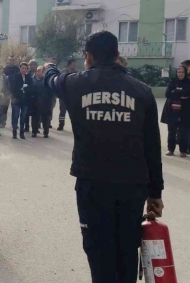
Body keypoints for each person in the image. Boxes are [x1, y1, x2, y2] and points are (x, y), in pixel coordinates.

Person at [44, 31, 164, 283]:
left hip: (93, 185)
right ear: (118, 56)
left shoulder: (75, 84)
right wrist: (155, 193)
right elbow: (152, 146)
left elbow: (51, 79)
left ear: (87, 57)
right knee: (127, 249)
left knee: (99, 251)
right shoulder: (142, 91)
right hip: (133, 186)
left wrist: (50, 66)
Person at [161, 67, 190, 157]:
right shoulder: (172, 81)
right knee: (171, 131)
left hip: (185, 111)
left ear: (185, 73)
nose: (180, 73)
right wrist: (180, 93)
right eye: (178, 72)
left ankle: (183, 151)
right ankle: (170, 149)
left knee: (184, 132)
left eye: (182, 72)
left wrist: (176, 92)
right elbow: (167, 94)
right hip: (172, 111)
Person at [10, 62, 33, 139]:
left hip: (25, 101)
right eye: (22, 68)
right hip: (16, 100)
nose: (23, 70)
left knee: (23, 117)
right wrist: (21, 89)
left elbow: (31, 88)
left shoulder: (29, 77)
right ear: (20, 68)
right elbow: (13, 88)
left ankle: (22, 133)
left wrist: (25, 88)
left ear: (27, 69)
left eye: (25, 68)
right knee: (15, 116)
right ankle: (14, 132)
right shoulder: (15, 76)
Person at [31, 66, 53, 138]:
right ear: (36, 71)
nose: (39, 72)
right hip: (35, 102)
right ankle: (34, 132)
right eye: (38, 70)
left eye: (41, 71)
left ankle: (46, 133)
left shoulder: (47, 80)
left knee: (46, 119)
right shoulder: (32, 79)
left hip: (45, 102)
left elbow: (51, 92)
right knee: (35, 118)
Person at [57, 58, 78, 131]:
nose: (75, 65)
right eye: (73, 63)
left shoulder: (76, 72)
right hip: (63, 95)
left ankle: (74, 126)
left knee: (73, 112)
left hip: (72, 96)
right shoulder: (63, 71)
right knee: (62, 111)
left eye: (75, 63)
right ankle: (61, 125)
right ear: (69, 64)